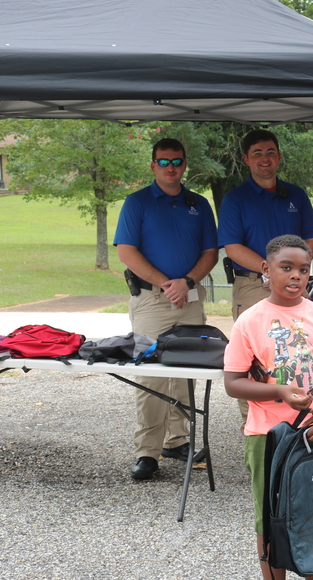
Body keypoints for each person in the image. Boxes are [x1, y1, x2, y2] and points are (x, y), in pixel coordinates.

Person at [223, 235, 313, 580]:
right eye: (286, 267)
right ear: (266, 269)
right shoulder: (249, 321)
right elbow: (233, 383)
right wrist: (279, 390)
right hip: (268, 436)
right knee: (270, 518)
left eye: (303, 269)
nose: (296, 276)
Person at [114, 137, 218, 481]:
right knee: (150, 373)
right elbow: (126, 252)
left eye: (176, 161)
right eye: (163, 162)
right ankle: (147, 452)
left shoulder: (199, 204)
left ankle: (178, 440)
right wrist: (165, 283)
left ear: (185, 164)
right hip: (152, 300)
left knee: (186, 370)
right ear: (152, 165)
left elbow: (210, 253)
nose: (170, 167)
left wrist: (185, 282)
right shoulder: (137, 202)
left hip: (188, 298)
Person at [219, 128, 313, 419]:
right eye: (257, 154)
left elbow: (311, 241)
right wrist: (270, 272)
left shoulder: (296, 195)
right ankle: (256, 429)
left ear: (279, 157)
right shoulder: (235, 199)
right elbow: (233, 247)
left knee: (296, 354)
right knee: (253, 362)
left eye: (270, 153)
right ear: (246, 159)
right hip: (252, 286)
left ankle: (299, 421)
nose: (265, 159)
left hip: (293, 290)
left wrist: (288, 273)